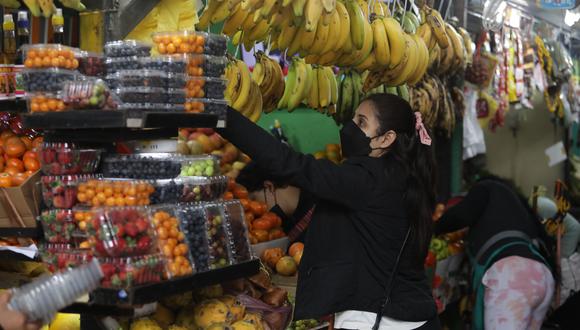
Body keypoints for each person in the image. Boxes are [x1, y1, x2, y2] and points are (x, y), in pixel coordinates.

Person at [221, 93, 439, 329]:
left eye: (361, 122)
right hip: (415, 315)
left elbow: (288, 163)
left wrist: (221, 116)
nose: (350, 127)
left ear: (386, 139)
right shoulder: (400, 177)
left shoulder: (367, 180)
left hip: (382, 320)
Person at [435, 177, 556, 330]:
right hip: (542, 276)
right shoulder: (516, 206)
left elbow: (460, 215)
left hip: (512, 277)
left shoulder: (486, 188)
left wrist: (434, 228)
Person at [236, 161, 316, 243]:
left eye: (254, 201)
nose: (255, 212)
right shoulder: (284, 225)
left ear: (270, 186)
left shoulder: (319, 213)